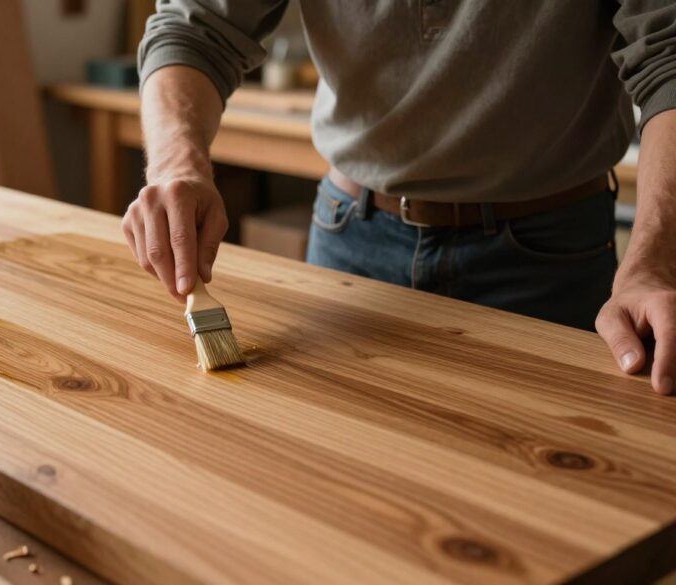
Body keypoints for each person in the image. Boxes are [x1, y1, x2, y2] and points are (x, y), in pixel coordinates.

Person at [121, 2, 676, 395]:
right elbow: (195, 29)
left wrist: (656, 257)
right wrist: (177, 163)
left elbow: (668, 54)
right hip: (351, 243)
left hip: (551, 258)